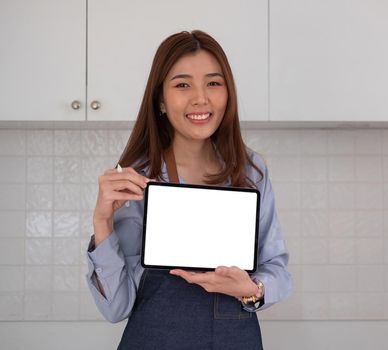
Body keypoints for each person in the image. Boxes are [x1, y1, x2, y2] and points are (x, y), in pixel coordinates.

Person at [85, 30, 292, 349]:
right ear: (161, 101)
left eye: (213, 83)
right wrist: (102, 224)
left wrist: (251, 289)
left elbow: (276, 269)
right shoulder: (136, 179)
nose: (201, 98)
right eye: (183, 85)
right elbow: (117, 308)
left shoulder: (252, 172)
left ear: (228, 94)